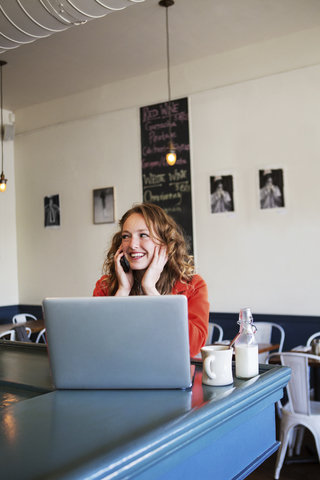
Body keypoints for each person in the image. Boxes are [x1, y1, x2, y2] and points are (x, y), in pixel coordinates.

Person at [93, 203, 209, 357]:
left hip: (168, 376)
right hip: (118, 373)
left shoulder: (193, 285)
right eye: (126, 236)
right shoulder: (105, 286)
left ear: (164, 243)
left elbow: (192, 347)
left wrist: (150, 289)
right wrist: (123, 291)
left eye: (143, 235)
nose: (132, 245)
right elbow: (97, 345)